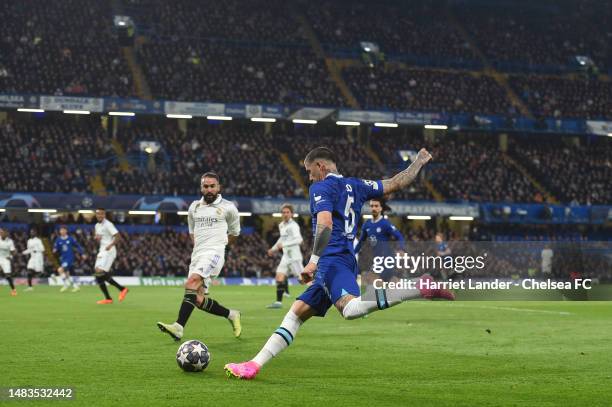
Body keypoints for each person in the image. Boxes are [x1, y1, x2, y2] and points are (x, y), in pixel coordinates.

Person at [225, 146, 454, 380]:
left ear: (320, 167)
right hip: (343, 258)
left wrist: (313, 261)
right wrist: (417, 163)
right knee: (296, 314)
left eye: (308, 171)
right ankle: (254, 365)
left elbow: (325, 223)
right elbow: (395, 183)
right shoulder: (357, 184)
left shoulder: (320, 186)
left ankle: (417, 287)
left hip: (331, 260)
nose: (308, 177)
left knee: (350, 309)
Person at [157, 172, 242, 341]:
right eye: (206, 186)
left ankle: (178, 327)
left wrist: (221, 248)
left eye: (212, 186)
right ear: (201, 188)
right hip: (197, 255)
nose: (209, 189)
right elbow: (192, 232)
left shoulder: (228, 207)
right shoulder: (194, 207)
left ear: (219, 187)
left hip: (214, 253)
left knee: (190, 283)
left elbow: (234, 233)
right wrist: (199, 248)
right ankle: (232, 314)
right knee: (197, 298)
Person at [355, 198, 405, 282]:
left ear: (381, 208)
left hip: (387, 259)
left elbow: (400, 237)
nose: (373, 208)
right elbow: (360, 242)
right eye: (372, 206)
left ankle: (417, 285)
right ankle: (415, 285)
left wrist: (401, 249)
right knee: (389, 282)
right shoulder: (367, 225)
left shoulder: (385, 224)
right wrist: (353, 252)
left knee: (373, 280)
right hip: (377, 259)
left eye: (376, 206)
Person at [266, 203, 303, 309]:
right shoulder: (281, 225)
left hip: (294, 256)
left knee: (303, 280)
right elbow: (282, 239)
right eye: (283, 212)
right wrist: (273, 249)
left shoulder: (294, 226)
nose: (285, 214)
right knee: (279, 276)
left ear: (292, 214)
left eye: (287, 212)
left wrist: (284, 245)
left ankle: (322, 293)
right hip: (286, 256)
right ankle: (278, 302)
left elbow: (299, 240)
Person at [94, 209, 128, 304]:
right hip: (102, 251)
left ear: (104, 214)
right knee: (98, 275)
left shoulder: (108, 224)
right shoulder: (97, 225)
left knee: (100, 272)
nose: (99, 215)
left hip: (109, 251)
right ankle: (109, 297)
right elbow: (98, 238)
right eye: (98, 214)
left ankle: (122, 289)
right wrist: (97, 238)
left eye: (101, 214)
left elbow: (118, 236)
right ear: (96, 215)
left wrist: (111, 245)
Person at [52, 226, 85, 292]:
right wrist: (54, 250)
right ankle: (75, 286)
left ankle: (65, 285)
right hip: (63, 259)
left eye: (63, 230)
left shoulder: (70, 239)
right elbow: (56, 248)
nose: (62, 231)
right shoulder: (58, 240)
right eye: (61, 230)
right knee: (67, 274)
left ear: (66, 231)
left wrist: (82, 253)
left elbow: (77, 245)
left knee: (60, 270)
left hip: (69, 258)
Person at [0, 227, 17, 296]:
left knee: (7, 276)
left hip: (5, 259)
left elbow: (14, 251)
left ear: (6, 233)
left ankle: (13, 290)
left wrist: (10, 257)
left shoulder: (10, 241)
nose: (1, 233)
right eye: (1, 232)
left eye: (2, 232)